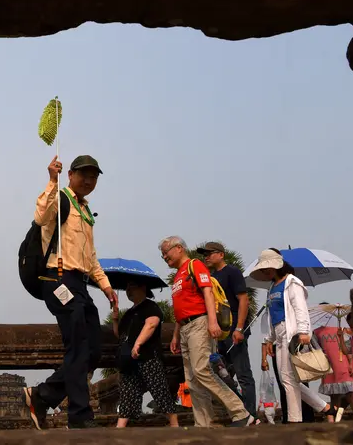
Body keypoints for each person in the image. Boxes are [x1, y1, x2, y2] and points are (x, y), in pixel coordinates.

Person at [22, 155, 117, 430]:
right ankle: (80, 415)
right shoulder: (61, 199)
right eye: (84, 175)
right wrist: (52, 180)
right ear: (71, 175)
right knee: (77, 345)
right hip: (57, 278)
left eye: (94, 176)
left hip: (80, 283)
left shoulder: (85, 210)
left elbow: (91, 257)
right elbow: (40, 216)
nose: (89, 181)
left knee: (94, 351)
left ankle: (42, 395)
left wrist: (107, 286)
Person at [160, 236, 252, 427]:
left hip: (199, 324)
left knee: (203, 370)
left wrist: (212, 322)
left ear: (178, 248)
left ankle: (240, 411)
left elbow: (208, 293)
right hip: (185, 327)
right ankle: (203, 425)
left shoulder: (195, 266)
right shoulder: (178, 275)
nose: (164, 256)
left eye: (165, 251)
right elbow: (181, 308)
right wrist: (176, 334)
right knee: (192, 380)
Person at [251, 248, 342, 423]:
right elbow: (271, 315)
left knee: (288, 380)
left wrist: (303, 331)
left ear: (277, 266)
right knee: (287, 380)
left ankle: (295, 419)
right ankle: (326, 408)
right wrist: (269, 339)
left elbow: (300, 308)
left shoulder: (292, 282)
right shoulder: (271, 287)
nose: (266, 271)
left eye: (267, 267)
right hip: (278, 334)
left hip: (291, 332)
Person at [198, 242, 257, 418]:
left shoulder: (232, 272)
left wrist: (239, 328)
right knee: (222, 374)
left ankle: (251, 413)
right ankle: (236, 412)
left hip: (233, 329)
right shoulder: (211, 277)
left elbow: (243, 300)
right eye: (204, 254)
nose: (206, 257)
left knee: (242, 373)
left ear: (221, 254)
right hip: (218, 332)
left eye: (210, 253)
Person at [111, 281, 178, 428]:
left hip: (148, 357)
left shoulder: (150, 307)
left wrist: (138, 343)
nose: (128, 291)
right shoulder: (129, 313)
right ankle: (119, 430)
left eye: (131, 287)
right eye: (126, 288)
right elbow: (120, 335)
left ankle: (175, 425)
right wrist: (115, 319)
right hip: (129, 361)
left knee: (159, 391)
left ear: (142, 287)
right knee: (127, 395)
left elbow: (152, 324)